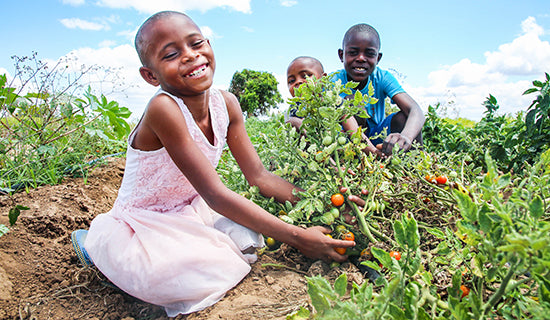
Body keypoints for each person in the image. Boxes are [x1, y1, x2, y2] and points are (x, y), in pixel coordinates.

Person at [70, 11, 355, 317]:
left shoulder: (227, 104)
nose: (191, 56)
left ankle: (140, 263)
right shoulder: (164, 109)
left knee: (248, 241)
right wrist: (299, 237)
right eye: (171, 54)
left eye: (196, 43)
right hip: (143, 221)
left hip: (189, 210)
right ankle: (102, 251)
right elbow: (216, 195)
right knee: (201, 272)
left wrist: (329, 202)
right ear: (150, 75)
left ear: (209, 44)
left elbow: (258, 176)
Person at [331, 23, 425, 156]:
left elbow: (415, 110)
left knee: (404, 117)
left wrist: (406, 137)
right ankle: (358, 159)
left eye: (369, 54)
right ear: (341, 55)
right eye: (353, 53)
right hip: (348, 139)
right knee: (351, 103)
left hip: (379, 138)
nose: (361, 58)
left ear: (378, 58)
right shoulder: (333, 82)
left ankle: (415, 164)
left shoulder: (382, 77)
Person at [285, 56, 326, 130]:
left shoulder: (333, 102)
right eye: (292, 81)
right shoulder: (293, 111)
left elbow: (354, 133)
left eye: (305, 76)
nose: (298, 82)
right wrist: (296, 123)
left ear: (323, 79)